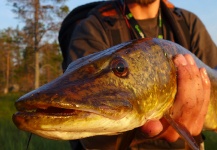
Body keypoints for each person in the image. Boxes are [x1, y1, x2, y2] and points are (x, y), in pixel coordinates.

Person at [61, 0, 217, 149]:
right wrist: (138, 135)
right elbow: (88, 137)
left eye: (120, 69)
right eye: (120, 69)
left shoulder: (189, 23)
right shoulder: (92, 27)